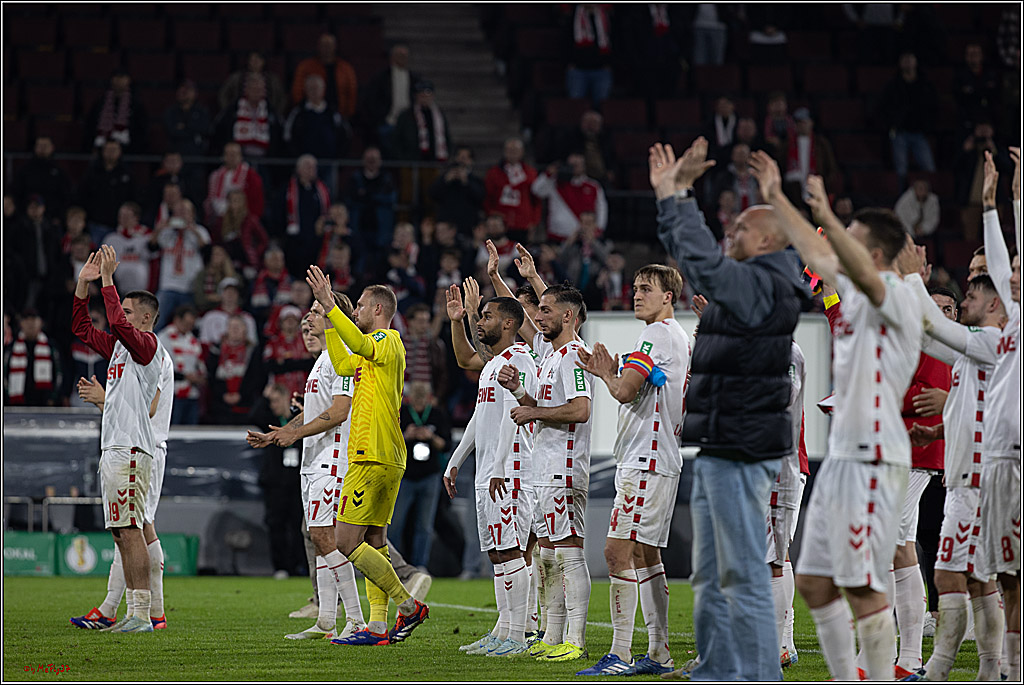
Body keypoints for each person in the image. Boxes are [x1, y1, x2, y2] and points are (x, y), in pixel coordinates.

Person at [748, 149, 922, 682]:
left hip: (875, 453)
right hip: (842, 454)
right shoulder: (848, 295)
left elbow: (857, 270)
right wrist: (778, 200)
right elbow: (819, 259)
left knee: (868, 577)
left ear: (870, 249)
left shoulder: (892, 292)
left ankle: (894, 667)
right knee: (816, 583)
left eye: (849, 232)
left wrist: (821, 215)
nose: (836, 240)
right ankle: (852, 676)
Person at [652, 139, 808, 681]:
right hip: (726, 442)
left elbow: (704, 264)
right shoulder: (764, 280)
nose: (731, 233)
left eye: (742, 228)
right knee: (713, 573)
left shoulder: (761, 283)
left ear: (768, 238)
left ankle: (759, 673)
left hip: (742, 446)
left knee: (740, 571)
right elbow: (700, 260)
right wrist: (671, 196)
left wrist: (677, 197)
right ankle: (717, 668)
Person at [574, 264, 691, 676]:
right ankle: (658, 652)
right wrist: (611, 369)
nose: (636, 294)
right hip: (660, 458)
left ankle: (620, 654)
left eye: (647, 289)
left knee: (615, 552)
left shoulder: (656, 334)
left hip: (646, 459)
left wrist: (606, 371)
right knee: (645, 555)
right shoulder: (676, 336)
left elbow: (624, 390)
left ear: (667, 297)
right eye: (635, 287)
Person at [305, 271, 430, 645]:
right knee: (374, 540)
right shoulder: (369, 353)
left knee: (345, 541)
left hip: (371, 453)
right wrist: (331, 322)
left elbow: (358, 343)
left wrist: (330, 303)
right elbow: (344, 363)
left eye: (359, 305)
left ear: (378, 308)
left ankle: (408, 606)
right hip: (382, 454)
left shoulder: (387, 340)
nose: (355, 309)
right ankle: (377, 626)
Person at [899, 270, 1007, 681]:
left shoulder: (991, 342)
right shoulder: (976, 351)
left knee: (953, 576)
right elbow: (975, 407)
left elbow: (931, 332)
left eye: (971, 297)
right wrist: (942, 427)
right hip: (970, 476)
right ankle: (993, 669)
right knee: (980, 581)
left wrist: (907, 277)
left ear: (994, 304)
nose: (963, 305)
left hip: (982, 480)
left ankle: (942, 668)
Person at [248, 297, 366, 641]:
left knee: (325, 539)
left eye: (316, 311)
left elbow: (340, 411)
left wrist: (295, 432)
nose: (306, 319)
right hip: (314, 461)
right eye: (307, 312)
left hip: (334, 461)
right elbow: (319, 411)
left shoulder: (341, 357)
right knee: (320, 541)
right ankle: (326, 619)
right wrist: (281, 433)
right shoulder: (323, 360)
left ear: (334, 315)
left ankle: (357, 620)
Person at [70, 245, 165, 633]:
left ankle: (141, 614)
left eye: (127, 311)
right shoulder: (119, 350)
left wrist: (109, 280)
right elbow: (80, 329)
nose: (118, 317)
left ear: (146, 318)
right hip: (117, 448)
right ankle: (136, 612)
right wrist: (83, 283)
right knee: (123, 532)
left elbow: (119, 326)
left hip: (129, 449)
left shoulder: (148, 348)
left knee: (129, 532)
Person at [498, 283, 594, 663]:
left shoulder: (574, 355)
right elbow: (538, 406)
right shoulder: (551, 358)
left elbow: (580, 409)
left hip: (565, 470)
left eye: (546, 310)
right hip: (545, 469)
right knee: (548, 557)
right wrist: (519, 390)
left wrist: (533, 412)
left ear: (567, 316)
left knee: (569, 555)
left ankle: (576, 638)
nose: (538, 317)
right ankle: (553, 636)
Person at [444, 293, 538, 656]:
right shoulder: (490, 365)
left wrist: (499, 466)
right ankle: (503, 631)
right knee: (498, 555)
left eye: (486, 316)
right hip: (488, 471)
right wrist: (456, 460)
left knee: (512, 552)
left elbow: (515, 417)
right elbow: (481, 418)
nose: (480, 321)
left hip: (510, 471)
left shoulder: (521, 361)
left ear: (509, 324)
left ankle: (519, 634)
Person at [972, 150, 1021, 682]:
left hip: (1016, 460)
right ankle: (1008, 669)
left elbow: (1011, 253)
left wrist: (1012, 200)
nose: (1009, 279)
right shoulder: (1004, 330)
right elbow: (1000, 260)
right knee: (1008, 576)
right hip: (1000, 461)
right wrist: (990, 202)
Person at [248, 383, 304, 579]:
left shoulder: (298, 420)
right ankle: (281, 566)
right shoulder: (270, 422)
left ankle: (299, 565)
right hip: (275, 483)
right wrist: (264, 396)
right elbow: (254, 416)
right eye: (271, 402)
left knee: (299, 526)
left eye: (276, 400)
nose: (273, 405)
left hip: (297, 482)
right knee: (276, 525)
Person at [392, 381, 451, 568]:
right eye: (416, 396)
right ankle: (391, 565)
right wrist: (405, 435)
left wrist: (431, 437)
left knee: (424, 526)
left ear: (429, 397)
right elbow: (390, 442)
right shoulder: (401, 413)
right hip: (404, 476)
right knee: (395, 524)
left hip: (429, 476)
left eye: (422, 396)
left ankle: (420, 566)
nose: (418, 400)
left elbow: (446, 445)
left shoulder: (437, 415)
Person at [149, 199, 211, 331]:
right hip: (168, 285)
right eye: (178, 212)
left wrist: (192, 229)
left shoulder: (200, 231)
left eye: (185, 212)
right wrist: (159, 229)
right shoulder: (166, 233)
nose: (181, 215)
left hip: (190, 287)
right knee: (155, 320)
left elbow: (207, 252)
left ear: (192, 214)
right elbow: (151, 247)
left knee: (191, 324)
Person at [878, 53, 938, 185]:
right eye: (904, 60)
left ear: (916, 62)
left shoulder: (924, 84)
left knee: (929, 169)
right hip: (900, 133)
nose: (907, 63)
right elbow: (884, 108)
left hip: (920, 133)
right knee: (901, 171)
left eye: (910, 59)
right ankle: (901, 200)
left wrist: (927, 126)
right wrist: (892, 124)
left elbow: (932, 107)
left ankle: (932, 201)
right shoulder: (893, 86)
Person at [531, 153, 608, 243]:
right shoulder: (555, 183)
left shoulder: (593, 186)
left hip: (585, 239)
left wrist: (599, 229)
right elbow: (536, 190)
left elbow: (602, 209)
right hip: (558, 237)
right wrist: (548, 174)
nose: (575, 168)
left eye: (578, 165)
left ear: (584, 166)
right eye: (572, 165)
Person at [277, 155, 331, 278]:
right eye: (307, 166)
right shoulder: (287, 189)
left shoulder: (321, 190)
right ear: (298, 169)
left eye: (313, 167)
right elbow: (279, 212)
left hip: (316, 241)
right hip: (293, 241)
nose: (311, 170)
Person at [363, 42, 421, 153]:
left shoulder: (414, 79)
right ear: (392, 57)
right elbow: (372, 100)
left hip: (408, 124)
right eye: (399, 55)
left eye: (404, 56)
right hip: (387, 123)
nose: (402, 58)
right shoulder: (380, 77)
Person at [284, 75, 348, 173]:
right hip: (304, 165)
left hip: (328, 164)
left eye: (317, 88)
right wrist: (298, 157)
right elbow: (287, 137)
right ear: (305, 90)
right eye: (311, 88)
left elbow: (345, 136)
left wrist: (337, 158)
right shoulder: (298, 112)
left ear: (323, 90)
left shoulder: (332, 113)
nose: (314, 91)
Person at [484, 138, 541, 244]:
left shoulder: (530, 173)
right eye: (509, 150)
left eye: (515, 150)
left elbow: (536, 199)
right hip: (500, 222)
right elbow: (488, 197)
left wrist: (534, 221)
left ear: (522, 152)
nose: (512, 153)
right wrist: (491, 216)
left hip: (523, 222)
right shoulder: (494, 173)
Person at [3, 309, 63, 407]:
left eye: (34, 319)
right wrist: (8, 397)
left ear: (41, 322)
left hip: (44, 404)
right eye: (26, 320)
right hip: (18, 404)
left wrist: (53, 398)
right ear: (21, 323)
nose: (30, 323)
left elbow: (59, 373)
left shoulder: (51, 347)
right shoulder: (11, 348)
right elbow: (4, 375)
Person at [291, 33, 358, 120]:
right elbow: (297, 92)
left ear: (335, 47)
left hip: (339, 114)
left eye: (329, 45)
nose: (327, 48)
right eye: (324, 45)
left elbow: (352, 93)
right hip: (311, 115)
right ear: (318, 46)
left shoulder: (346, 69)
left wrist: (347, 114)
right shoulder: (305, 67)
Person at [78, 140, 135, 238]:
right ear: (103, 151)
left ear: (120, 152)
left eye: (114, 150)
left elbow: (133, 196)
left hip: (119, 226)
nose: (111, 152)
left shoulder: (127, 173)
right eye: (108, 149)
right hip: (96, 224)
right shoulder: (92, 172)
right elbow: (82, 195)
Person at [157, 305, 203, 426]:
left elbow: (198, 363)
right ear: (177, 320)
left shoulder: (193, 340)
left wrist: (199, 377)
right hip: (173, 394)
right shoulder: (163, 338)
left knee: (191, 431)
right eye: (186, 323)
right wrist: (184, 377)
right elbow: (160, 368)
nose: (188, 327)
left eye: (191, 324)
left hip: (192, 394)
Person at [84, 70, 147, 153]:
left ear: (129, 81)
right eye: (117, 78)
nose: (119, 81)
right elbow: (91, 124)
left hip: (128, 148)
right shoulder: (100, 103)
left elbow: (141, 129)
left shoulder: (136, 105)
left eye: (123, 78)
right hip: (102, 146)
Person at [205, 141, 265, 226]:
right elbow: (211, 199)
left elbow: (257, 201)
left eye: (235, 154)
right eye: (229, 154)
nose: (232, 157)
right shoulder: (215, 176)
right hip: (219, 217)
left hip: (243, 218)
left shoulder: (251, 176)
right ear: (224, 156)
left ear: (240, 156)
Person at [430, 146, 485, 235]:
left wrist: (466, 182)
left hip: (468, 224)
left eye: (465, 158)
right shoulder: (445, 177)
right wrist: (445, 180)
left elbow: (480, 197)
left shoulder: (476, 180)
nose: (462, 161)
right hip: (447, 225)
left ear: (471, 161)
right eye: (460, 157)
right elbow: (433, 194)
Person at [13, 136, 72, 216]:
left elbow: (66, 195)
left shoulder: (59, 171)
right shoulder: (25, 169)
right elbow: (16, 192)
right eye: (39, 146)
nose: (42, 149)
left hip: (52, 217)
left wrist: (59, 216)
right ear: (35, 148)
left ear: (52, 148)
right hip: (27, 217)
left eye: (45, 146)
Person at [219, 51, 288, 118]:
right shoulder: (237, 78)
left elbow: (281, 98)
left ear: (264, 62)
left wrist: (275, 113)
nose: (255, 62)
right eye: (252, 60)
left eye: (258, 59)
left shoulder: (273, 80)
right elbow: (224, 94)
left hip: (266, 115)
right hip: (239, 115)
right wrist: (229, 112)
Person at [101, 203, 151, 294]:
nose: (123, 219)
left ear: (136, 218)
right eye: (121, 216)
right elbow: (104, 266)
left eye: (127, 216)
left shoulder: (146, 237)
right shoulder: (110, 239)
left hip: (141, 291)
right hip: (118, 291)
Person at [162, 79, 211, 159]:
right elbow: (171, 131)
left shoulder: (202, 112)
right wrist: (192, 130)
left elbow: (204, 129)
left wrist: (184, 127)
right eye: (182, 90)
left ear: (195, 93)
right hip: (175, 155)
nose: (184, 92)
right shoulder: (171, 112)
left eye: (188, 90)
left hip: (196, 156)